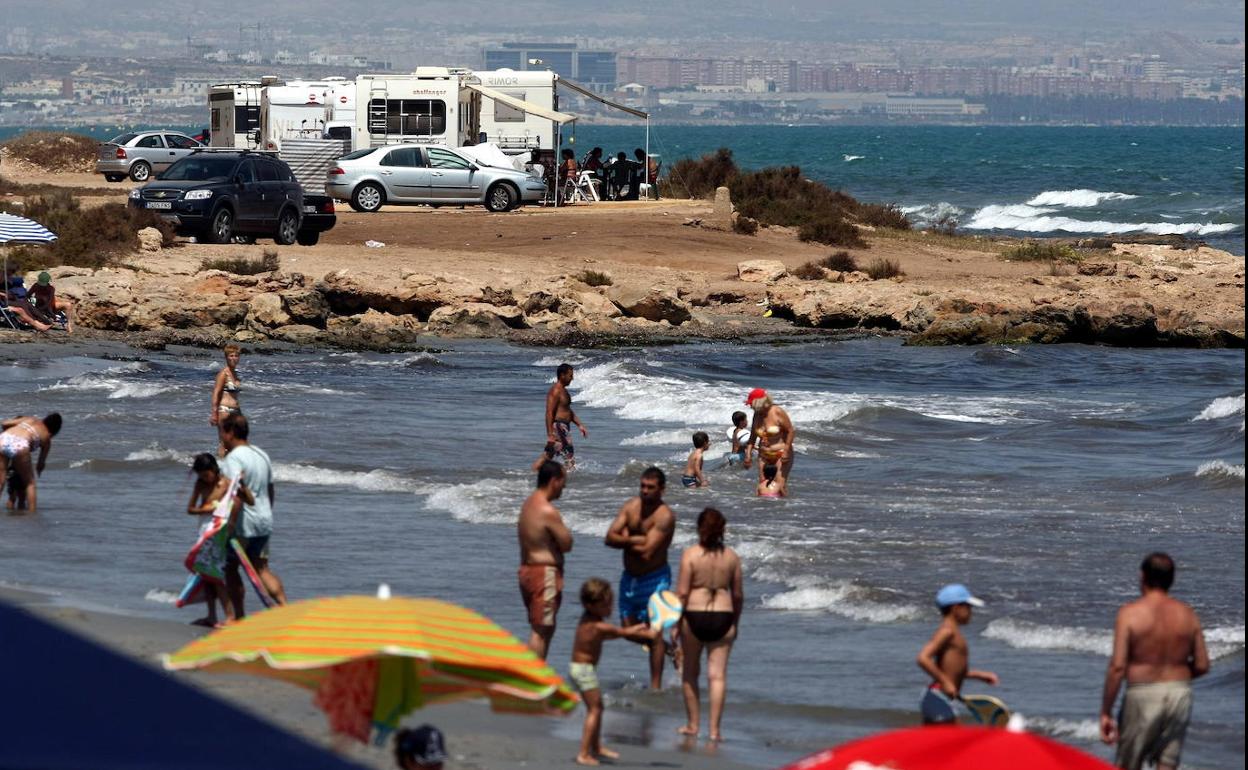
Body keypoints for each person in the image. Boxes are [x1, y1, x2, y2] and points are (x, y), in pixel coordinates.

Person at [1100, 553, 1209, 770]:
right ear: (1172, 579)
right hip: (1179, 693)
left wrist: (1106, 711)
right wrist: (1174, 673)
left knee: (1128, 764)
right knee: (1167, 765)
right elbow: (1202, 664)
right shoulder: (1188, 615)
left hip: (1143, 694)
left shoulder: (1130, 614)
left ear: (1143, 577)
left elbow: (1118, 667)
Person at [604, 467, 677, 689]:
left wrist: (625, 537)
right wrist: (635, 540)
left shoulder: (664, 516)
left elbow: (648, 552)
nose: (645, 491)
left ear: (662, 490)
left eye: (650, 488)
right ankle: (670, 649)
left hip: (655, 579)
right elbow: (609, 537)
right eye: (642, 486)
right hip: (630, 578)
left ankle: (655, 688)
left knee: (654, 632)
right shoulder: (631, 506)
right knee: (628, 630)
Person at [569, 577, 652, 766]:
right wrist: (647, 633)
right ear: (591, 605)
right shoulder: (597, 626)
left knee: (597, 708)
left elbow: (612, 634)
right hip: (583, 671)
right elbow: (620, 633)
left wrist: (636, 628)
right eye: (606, 605)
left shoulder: (588, 620)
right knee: (595, 710)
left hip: (581, 670)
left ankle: (596, 747)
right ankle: (584, 753)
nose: (610, 609)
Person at [677, 508, 743, 742]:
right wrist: (735, 622)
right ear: (722, 530)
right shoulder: (732, 557)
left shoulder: (691, 555)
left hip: (695, 613)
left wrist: (675, 625)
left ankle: (693, 725)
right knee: (717, 676)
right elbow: (737, 596)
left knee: (690, 673)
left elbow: (683, 593)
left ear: (699, 528)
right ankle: (715, 731)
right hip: (723, 616)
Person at [219, 413, 286, 616]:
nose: (221, 436)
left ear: (231, 432)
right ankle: (284, 607)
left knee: (230, 568)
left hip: (243, 524)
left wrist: (228, 526)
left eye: (223, 431)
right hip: (264, 520)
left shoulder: (234, 459)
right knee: (261, 568)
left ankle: (238, 617)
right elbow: (271, 489)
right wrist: (266, 513)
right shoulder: (261, 454)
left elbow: (235, 494)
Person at [916, 583, 999, 724]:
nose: (971, 611)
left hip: (943, 698)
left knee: (940, 743)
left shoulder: (954, 633)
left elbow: (952, 670)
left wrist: (979, 675)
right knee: (951, 739)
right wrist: (945, 682)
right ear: (956, 608)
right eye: (968, 607)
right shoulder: (947, 631)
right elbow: (923, 658)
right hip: (938, 697)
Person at [517, 460, 574, 659]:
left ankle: (536, 675)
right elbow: (567, 543)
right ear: (554, 481)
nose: (564, 487)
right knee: (541, 631)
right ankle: (533, 678)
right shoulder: (547, 511)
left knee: (542, 627)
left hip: (528, 571)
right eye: (563, 481)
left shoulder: (529, 504)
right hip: (544, 574)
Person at [185, 453, 249, 627]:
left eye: (206, 475)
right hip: (203, 532)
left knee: (216, 576)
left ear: (214, 469)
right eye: (201, 476)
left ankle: (229, 616)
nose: (204, 479)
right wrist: (205, 510)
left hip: (220, 533)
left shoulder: (227, 483)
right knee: (205, 575)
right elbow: (190, 509)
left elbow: (248, 501)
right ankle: (212, 615)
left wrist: (242, 486)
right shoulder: (200, 484)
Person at [0, 413, 61, 513]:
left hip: (3, 438)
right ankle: (32, 514)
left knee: (1, 481)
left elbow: (4, 423)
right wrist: (39, 470)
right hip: (20, 444)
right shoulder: (46, 437)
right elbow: (40, 464)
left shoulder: (30, 419)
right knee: (30, 483)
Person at [742, 388, 796, 490]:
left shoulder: (777, 411)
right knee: (763, 485)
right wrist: (748, 455)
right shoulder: (757, 414)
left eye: (751, 403)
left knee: (779, 486)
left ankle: (781, 504)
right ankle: (764, 505)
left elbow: (790, 431)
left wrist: (786, 451)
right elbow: (752, 437)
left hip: (780, 453)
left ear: (758, 402)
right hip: (763, 455)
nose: (750, 406)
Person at [541, 363, 588, 470]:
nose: (572, 378)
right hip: (559, 427)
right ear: (562, 375)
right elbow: (549, 412)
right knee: (569, 457)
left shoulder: (564, 391)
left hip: (563, 427)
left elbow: (568, 411)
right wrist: (550, 434)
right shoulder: (556, 391)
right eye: (570, 375)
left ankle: (536, 474)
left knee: (549, 455)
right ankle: (569, 480)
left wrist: (580, 425)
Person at [210, 344, 243, 455]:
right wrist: (214, 413)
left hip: (236, 412)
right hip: (224, 411)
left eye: (236, 356)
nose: (234, 358)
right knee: (224, 442)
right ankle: (221, 466)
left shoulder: (236, 374)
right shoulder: (223, 374)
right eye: (231, 355)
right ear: (226, 357)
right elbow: (216, 393)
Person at [1, 267, 53, 332]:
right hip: (3, 303)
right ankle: (36, 322)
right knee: (23, 304)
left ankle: (46, 321)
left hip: (9, 299)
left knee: (28, 304)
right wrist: (2, 294)